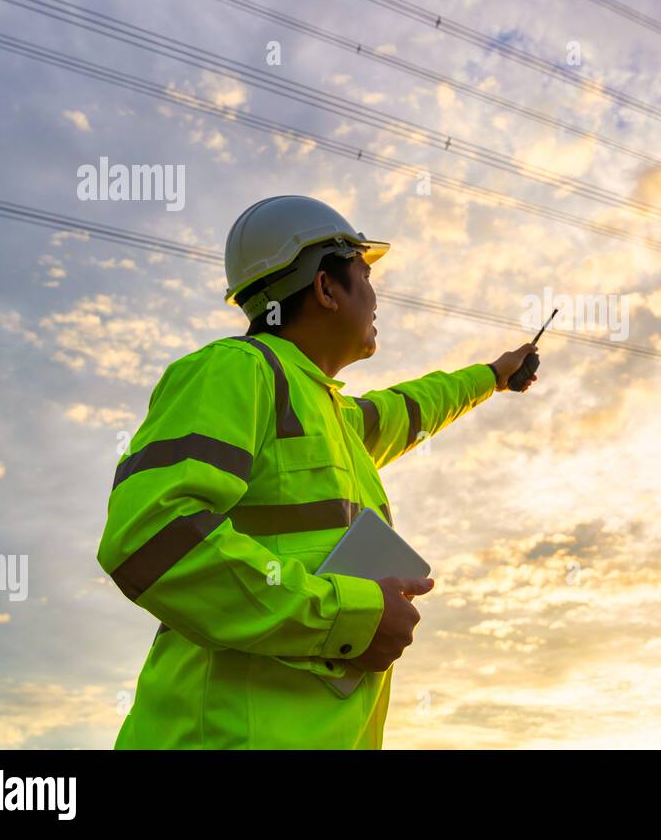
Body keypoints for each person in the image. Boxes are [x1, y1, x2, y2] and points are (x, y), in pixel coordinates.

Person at [98, 194, 539, 748]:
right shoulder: (236, 370)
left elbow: (413, 406)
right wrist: (347, 620)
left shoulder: (334, 416)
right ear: (327, 288)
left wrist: (492, 375)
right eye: (364, 272)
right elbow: (148, 536)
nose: (376, 295)